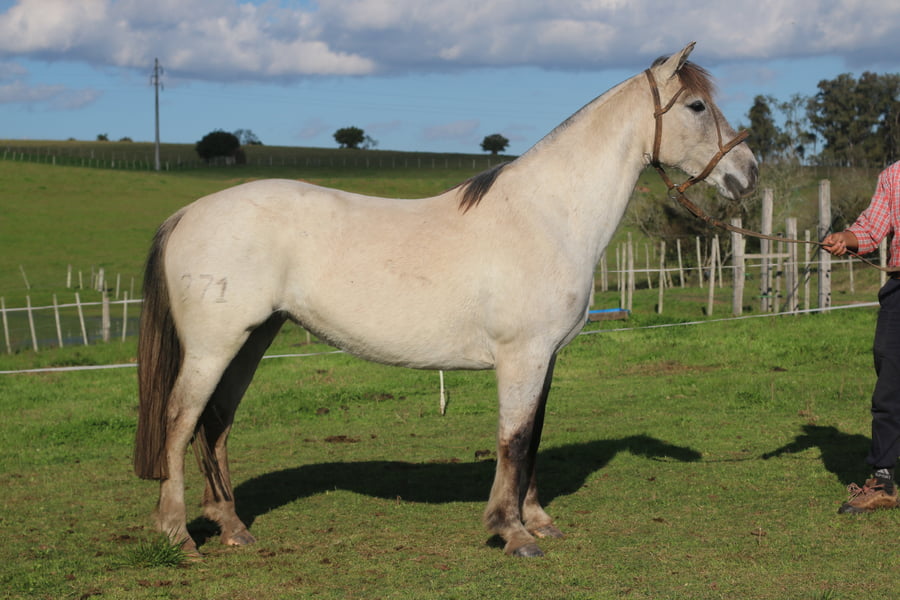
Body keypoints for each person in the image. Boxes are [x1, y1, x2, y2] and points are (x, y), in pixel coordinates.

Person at [822, 160, 900, 514]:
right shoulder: (893, 175)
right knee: (889, 382)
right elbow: (870, 229)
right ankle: (882, 480)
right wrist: (846, 239)